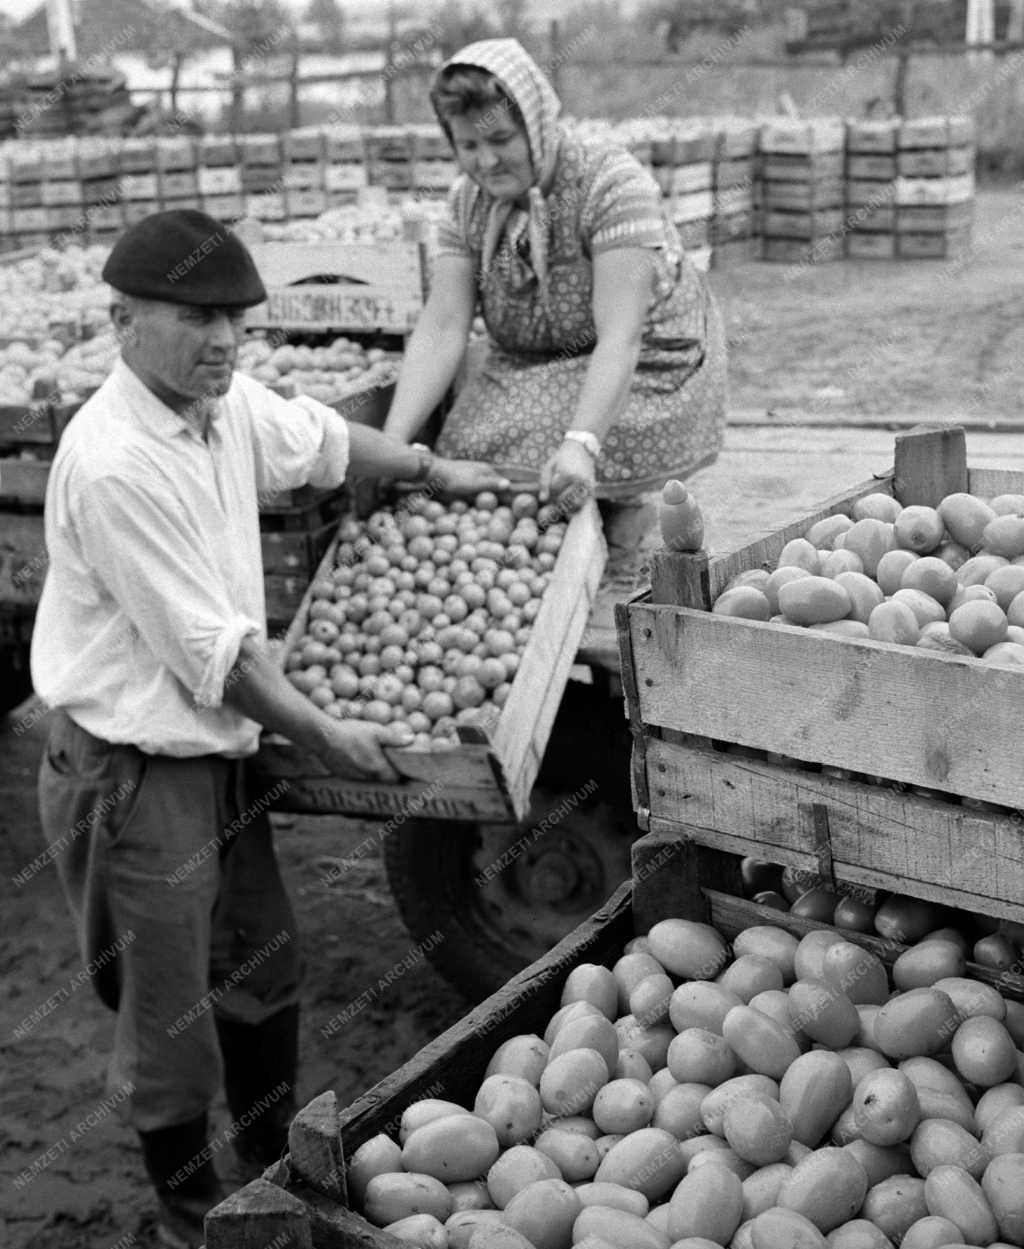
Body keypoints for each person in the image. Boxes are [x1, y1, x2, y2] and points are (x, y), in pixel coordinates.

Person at [29, 208, 507, 1249]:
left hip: (219, 754)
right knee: (167, 1023)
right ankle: (191, 1221)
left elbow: (325, 441)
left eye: (236, 322)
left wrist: (432, 471)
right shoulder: (115, 462)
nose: (223, 341)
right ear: (124, 320)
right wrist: (330, 737)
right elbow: (224, 659)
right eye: (196, 318)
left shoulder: (222, 405)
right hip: (133, 771)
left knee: (264, 968)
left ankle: (266, 1177)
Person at [383, 37, 727, 559]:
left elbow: (622, 334)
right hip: (533, 359)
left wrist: (581, 442)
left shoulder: (609, 184)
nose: (487, 161)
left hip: (650, 360)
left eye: (500, 139)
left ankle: (622, 508)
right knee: (464, 450)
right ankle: (589, 509)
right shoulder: (466, 203)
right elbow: (444, 326)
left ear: (537, 124)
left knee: (544, 451)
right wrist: (390, 446)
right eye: (468, 147)